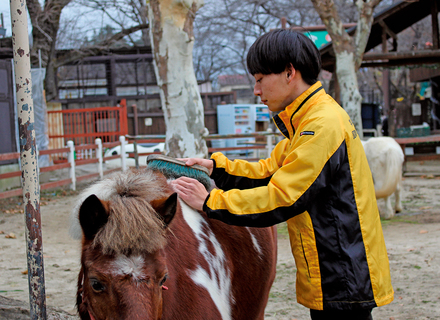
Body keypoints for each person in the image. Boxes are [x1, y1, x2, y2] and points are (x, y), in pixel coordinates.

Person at [171, 29, 393, 320]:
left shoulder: (321, 125)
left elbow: (284, 196)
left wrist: (211, 202)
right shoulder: (306, 122)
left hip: (342, 272)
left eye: (261, 79)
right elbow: (269, 172)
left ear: (290, 72)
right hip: (335, 268)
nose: (257, 91)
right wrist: (217, 168)